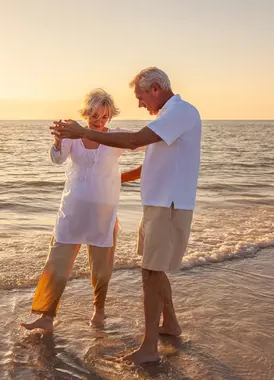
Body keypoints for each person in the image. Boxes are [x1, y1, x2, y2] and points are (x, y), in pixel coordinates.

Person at [50, 67, 201, 364]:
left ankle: (148, 349)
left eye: (141, 96)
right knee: (154, 269)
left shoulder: (180, 112)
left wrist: (82, 132)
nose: (140, 103)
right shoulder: (167, 117)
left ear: (155, 88)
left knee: (150, 271)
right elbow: (149, 165)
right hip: (157, 204)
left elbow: (132, 142)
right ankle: (169, 323)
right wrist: (111, 180)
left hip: (168, 205)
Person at [21, 88, 143, 332]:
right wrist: (58, 140)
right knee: (57, 259)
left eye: (104, 117)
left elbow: (145, 145)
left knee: (101, 265)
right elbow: (57, 159)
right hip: (72, 209)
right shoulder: (72, 136)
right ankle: (46, 315)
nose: (98, 121)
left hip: (103, 211)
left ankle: (99, 310)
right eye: (94, 115)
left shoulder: (117, 136)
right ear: (86, 113)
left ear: (110, 116)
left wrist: (129, 176)